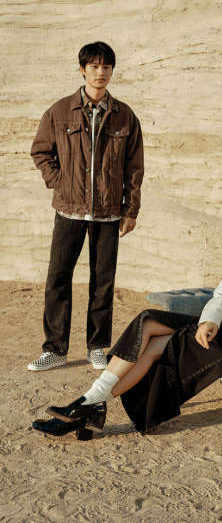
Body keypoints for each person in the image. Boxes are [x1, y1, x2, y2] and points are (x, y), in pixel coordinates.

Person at [32, 173, 222, 439]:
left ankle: (87, 405)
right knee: (147, 321)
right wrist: (210, 318)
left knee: (156, 347)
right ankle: (90, 403)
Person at [28, 42, 144, 373]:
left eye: (106, 67)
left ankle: (97, 347)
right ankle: (55, 349)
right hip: (68, 210)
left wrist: (131, 210)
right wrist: (59, 182)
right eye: (94, 66)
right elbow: (40, 151)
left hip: (108, 212)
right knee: (58, 277)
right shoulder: (59, 111)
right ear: (82, 70)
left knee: (103, 281)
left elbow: (134, 167)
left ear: (112, 71)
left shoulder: (125, 115)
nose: (100, 72)